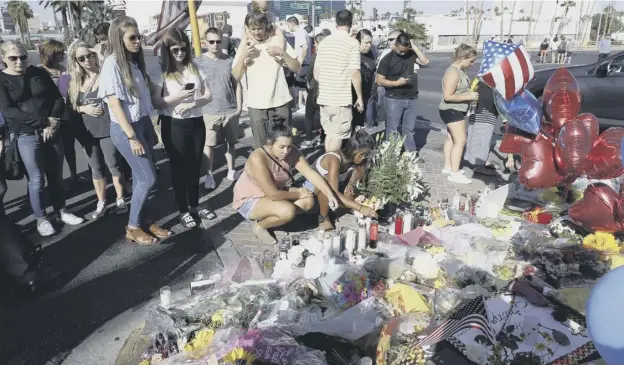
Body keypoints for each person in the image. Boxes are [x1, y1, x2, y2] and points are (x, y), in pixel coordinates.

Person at [98, 16, 171, 245]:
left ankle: (143, 220)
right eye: (132, 37)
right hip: (126, 129)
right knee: (147, 179)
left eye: (139, 36)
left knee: (148, 178)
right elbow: (115, 104)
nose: (138, 41)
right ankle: (132, 226)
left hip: (142, 124)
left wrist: (149, 128)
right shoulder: (112, 64)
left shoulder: (134, 63)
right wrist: (132, 136)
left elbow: (142, 100)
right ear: (118, 39)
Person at [0, 41, 84, 236]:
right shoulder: (2, 80)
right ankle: (41, 219)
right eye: (13, 58)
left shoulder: (38, 73)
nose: (19, 61)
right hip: (26, 135)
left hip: (52, 132)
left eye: (22, 57)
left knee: (55, 175)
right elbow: (8, 111)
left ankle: (61, 210)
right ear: (4, 58)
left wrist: (53, 121)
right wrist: (43, 121)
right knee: (36, 179)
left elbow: (56, 98)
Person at [232, 119, 339, 244]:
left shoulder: (292, 151)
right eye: (281, 147)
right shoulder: (258, 157)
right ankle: (260, 226)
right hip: (250, 199)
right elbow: (273, 194)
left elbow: (311, 174)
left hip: (275, 193)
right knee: (288, 211)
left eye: (289, 146)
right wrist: (298, 193)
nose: (286, 151)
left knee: (308, 201)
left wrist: (330, 194)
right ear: (270, 143)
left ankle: (275, 217)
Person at [151, 28, 214, 229]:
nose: (180, 53)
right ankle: (183, 211)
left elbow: (208, 95)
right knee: (179, 168)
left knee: (195, 166)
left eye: (183, 49)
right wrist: (177, 98)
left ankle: (194, 206)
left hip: (196, 122)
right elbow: (156, 102)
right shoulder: (162, 72)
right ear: (167, 50)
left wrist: (194, 103)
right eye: (175, 49)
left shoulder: (194, 68)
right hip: (173, 124)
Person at [67, 41, 128, 219]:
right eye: (82, 58)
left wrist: (98, 54)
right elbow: (71, 106)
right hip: (87, 132)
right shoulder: (75, 82)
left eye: (90, 55)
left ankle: (120, 197)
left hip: (107, 127)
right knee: (96, 168)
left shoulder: (105, 74)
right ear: (76, 61)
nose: (87, 60)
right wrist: (83, 109)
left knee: (114, 164)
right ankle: (101, 201)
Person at [232, 11, 300, 149]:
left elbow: (296, 67)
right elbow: (235, 76)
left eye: (260, 28)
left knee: (283, 145)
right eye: (253, 29)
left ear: (266, 26)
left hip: (280, 101)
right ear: (248, 29)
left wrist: (282, 53)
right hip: (256, 104)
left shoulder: (278, 41)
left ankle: (283, 170)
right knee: (262, 147)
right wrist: (243, 57)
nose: (257, 32)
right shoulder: (245, 46)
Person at [196, 27, 243, 191]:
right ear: (205, 42)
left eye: (218, 41)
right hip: (209, 112)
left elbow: (237, 85)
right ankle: (209, 175)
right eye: (211, 41)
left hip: (230, 110)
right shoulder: (198, 62)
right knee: (209, 145)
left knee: (231, 143)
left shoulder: (229, 61)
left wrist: (239, 108)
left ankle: (232, 171)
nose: (215, 44)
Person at [39, 39, 89, 188]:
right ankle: (57, 182)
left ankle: (74, 175)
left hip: (70, 115)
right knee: (57, 153)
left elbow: (67, 94)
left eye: (62, 53)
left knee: (72, 148)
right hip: (52, 118)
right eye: (58, 53)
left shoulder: (64, 70)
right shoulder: (39, 71)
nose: (61, 56)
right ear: (49, 54)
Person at [307, 129, 378, 230]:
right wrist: (360, 208)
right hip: (310, 190)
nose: (364, 157)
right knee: (326, 183)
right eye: (361, 154)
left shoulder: (356, 163)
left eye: (366, 154)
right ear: (352, 150)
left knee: (349, 192)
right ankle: (323, 217)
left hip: (332, 191)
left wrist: (353, 194)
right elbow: (332, 191)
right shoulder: (334, 159)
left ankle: (331, 209)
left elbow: (350, 189)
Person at [314, 10, 363, 153]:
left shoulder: (324, 42)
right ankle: (331, 169)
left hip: (324, 97)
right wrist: (359, 97)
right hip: (340, 98)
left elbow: (316, 73)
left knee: (330, 134)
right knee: (338, 136)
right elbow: (354, 72)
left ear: (336, 22)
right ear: (350, 23)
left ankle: (327, 166)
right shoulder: (352, 43)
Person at [376, 32, 430, 152]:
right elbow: (379, 81)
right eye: (400, 50)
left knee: (409, 129)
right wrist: (396, 83)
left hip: (411, 98)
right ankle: (391, 155)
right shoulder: (387, 59)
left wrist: (414, 47)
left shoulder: (410, 54)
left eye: (405, 50)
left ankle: (410, 154)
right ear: (395, 45)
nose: (403, 53)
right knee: (393, 129)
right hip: (393, 98)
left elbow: (425, 61)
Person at [438, 44, 479, 185]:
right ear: (462, 58)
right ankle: (454, 173)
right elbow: (448, 96)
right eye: (471, 61)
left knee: (451, 139)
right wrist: (469, 96)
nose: (472, 64)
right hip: (452, 109)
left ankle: (448, 166)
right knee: (460, 141)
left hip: (453, 109)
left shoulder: (457, 71)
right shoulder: (453, 72)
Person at [464, 81, 499, 177]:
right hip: (486, 110)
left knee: (473, 135)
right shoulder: (494, 79)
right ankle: (479, 165)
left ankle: (471, 160)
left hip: (476, 108)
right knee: (483, 137)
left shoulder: (481, 77)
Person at [301, 32, 327, 149]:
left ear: (317, 43)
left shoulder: (316, 56)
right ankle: (324, 137)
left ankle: (308, 139)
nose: (314, 46)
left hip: (314, 88)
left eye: (315, 43)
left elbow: (309, 72)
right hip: (326, 89)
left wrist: (307, 81)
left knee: (309, 115)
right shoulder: (329, 55)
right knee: (324, 116)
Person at [286, 16, 311, 113]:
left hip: (303, 64)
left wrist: (300, 62)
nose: (288, 28)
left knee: (303, 87)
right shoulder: (303, 32)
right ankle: (301, 105)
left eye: (288, 25)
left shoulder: (300, 33)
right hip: (305, 63)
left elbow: (305, 47)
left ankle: (308, 108)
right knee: (301, 86)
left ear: (292, 23)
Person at [353, 29, 376, 130]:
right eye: (366, 43)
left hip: (368, 92)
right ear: (358, 41)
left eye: (370, 42)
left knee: (361, 125)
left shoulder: (371, 53)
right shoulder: (353, 54)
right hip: (354, 95)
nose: (369, 45)